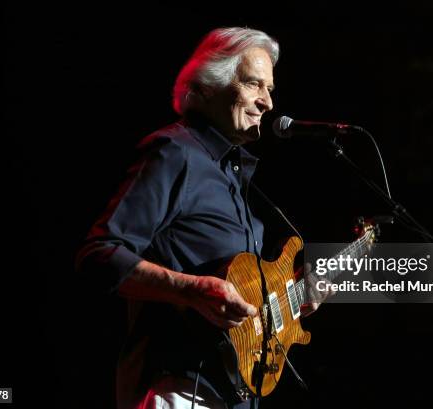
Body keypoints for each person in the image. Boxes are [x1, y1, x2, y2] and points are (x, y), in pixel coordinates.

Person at [76, 27, 318, 409]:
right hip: (180, 385)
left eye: (270, 88)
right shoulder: (175, 152)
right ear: (209, 85)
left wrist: (293, 302)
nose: (268, 102)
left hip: (233, 391)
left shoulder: (233, 176)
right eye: (255, 84)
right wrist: (192, 289)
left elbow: (242, 303)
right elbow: (99, 255)